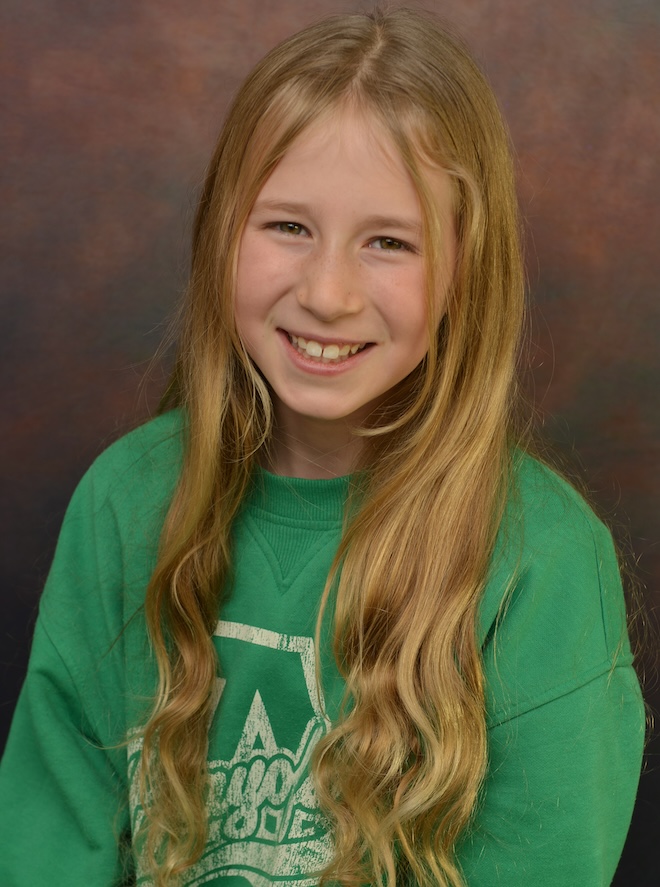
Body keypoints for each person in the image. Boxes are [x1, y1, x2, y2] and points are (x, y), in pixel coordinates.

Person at [0, 7, 645, 887]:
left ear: (466, 267)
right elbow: (48, 840)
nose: (328, 293)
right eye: (288, 227)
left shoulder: (546, 563)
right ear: (221, 230)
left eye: (389, 242)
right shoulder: (126, 496)